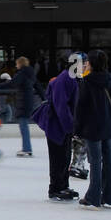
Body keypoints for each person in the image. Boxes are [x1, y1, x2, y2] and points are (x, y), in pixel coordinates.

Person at [74, 49, 111, 208]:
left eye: (87, 61)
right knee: (109, 160)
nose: (85, 63)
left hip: (92, 127)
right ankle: (109, 197)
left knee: (95, 161)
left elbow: (81, 107)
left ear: (92, 63)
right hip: (108, 125)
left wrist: (77, 128)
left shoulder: (86, 82)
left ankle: (93, 197)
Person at [32, 55, 82, 201]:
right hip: (56, 125)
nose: (85, 67)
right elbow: (61, 106)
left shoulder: (72, 78)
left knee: (65, 156)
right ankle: (55, 188)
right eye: (83, 64)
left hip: (63, 125)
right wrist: (70, 126)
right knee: (58, 157)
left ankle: (63, 185)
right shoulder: (65, 78)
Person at [0, 55, 43, 156]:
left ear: (20, 64)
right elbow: (38, 86)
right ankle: (27, 148)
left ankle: (27, 149)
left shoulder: (22, 73)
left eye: (17, 64)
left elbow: (12, 83)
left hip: (23, 101)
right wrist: (44, 98)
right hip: (28, 101)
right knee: (24, 125)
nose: (16, 66)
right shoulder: (30, 73)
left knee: (23, 126)